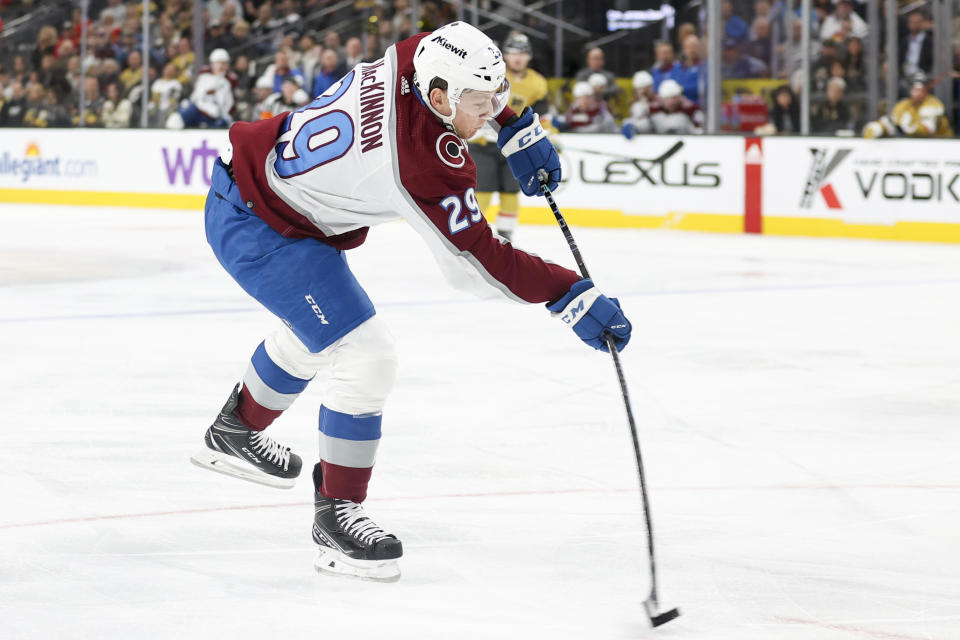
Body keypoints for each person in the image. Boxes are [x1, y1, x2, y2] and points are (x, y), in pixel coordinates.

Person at [190, 21, 631, 583]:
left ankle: (234, 432)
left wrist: (514, 123)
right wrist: (567, 292)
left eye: (495, 97)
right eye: (479, 104)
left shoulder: (416, 55)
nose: (487, 112)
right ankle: (337, 516)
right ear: (440, 97)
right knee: (366, 354)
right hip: (260, 224)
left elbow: (465, 79)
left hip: (269, 197)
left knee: (318, 328)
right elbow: (479, 266)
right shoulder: (420, 163)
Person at [467, 32, 549, 242]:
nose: (517, 57)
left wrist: (546, 134)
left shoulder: (538, 83)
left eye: (522, 52)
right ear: (504, 55)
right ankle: (473, 236)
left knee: (511, 194)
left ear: (529, 56)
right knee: (482, 193)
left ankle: (505, 239)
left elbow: (542, 116)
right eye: (513, 52)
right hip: (483, 145)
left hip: (514, 148)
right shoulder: (492, 73)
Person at [863, 72, 954, 139]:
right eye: (915, 89)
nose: (917, 93)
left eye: (921, 90)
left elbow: (927, 129)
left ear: (926, 90)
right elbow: (892, 123)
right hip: (913, 146)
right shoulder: (903, 105)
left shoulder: (934, 103)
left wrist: (907, 128)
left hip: (941, 144)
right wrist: (879, 128)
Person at [166, 48, 235, 129]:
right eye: (218, 63)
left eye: (223, 63)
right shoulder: (204, 78)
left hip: (214, 117)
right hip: (198, 111)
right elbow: (196, 97)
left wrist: (223, 115)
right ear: (212, 64)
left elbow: (228, 105)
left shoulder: (228, 82)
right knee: (175, 119)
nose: (220, 66)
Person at [553, 81, 618, 133]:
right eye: (581, 98)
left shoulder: (602, 113)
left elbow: (615, 131)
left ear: (593, 98)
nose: (585, 101)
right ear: (576, 99)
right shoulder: (572, 112)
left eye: (588, 97)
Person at [621, 70, 656, 138]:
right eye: (640, 88)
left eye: (647, 88)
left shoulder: (659, 101)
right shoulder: (634, 104)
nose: (643, 91)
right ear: (635, 90)